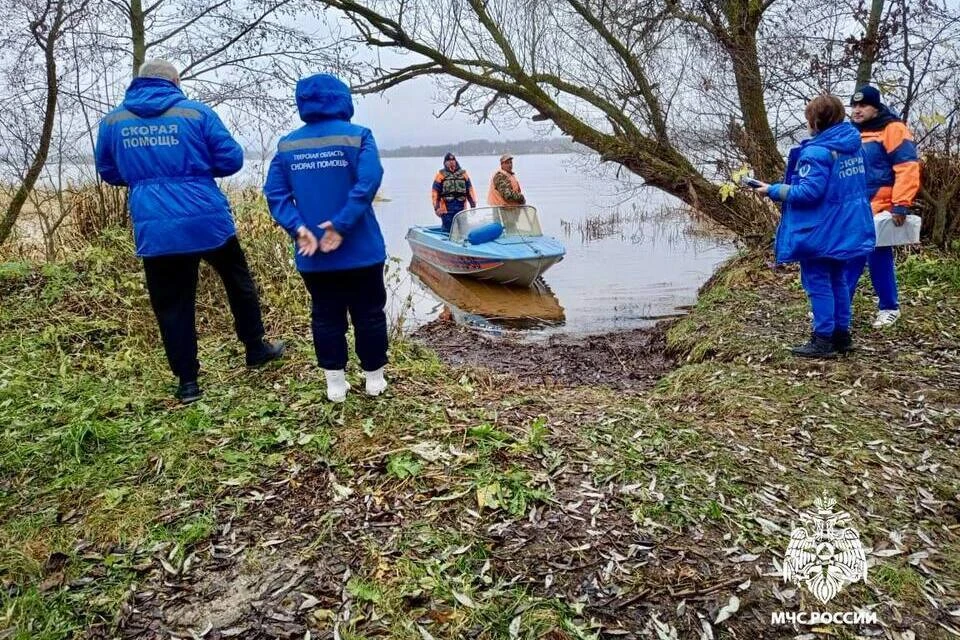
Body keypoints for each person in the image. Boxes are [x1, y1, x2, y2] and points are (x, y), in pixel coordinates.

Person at [94, 59, 284, 404]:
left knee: (172, 303)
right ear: (174, 81)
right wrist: (193, 171)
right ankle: (256, 348)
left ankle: (188, 383)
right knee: (237, 282)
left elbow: (108, 171)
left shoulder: (113, 121)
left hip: (155, 224)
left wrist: (148, 180)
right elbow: (232, 159)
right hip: (206, 217)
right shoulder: (196, 113)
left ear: (139, 82)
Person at [263, 73, 387, 403]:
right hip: (362, 249)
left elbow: (275, 194)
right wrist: (341, 224)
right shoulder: (359, 136)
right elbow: (369, 181)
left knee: (325, 315)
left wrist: (299, 228)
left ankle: (335, 384)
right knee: (370, 313)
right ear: (343, 99)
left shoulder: (288, 145)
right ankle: (374, 379)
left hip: (313, 252)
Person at [750, 95, 876, 358]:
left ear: (816, 122)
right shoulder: (852, 146)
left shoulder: (817, 152)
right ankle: (842, 336)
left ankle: (822, 340)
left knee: (818, 283)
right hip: (847, 227)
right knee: (838, 280)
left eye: (808, 119)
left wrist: (772, 190)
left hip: (822, 230)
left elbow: (808, 192)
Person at [844, 85, 921, 328]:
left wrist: (900, 204)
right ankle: (839, 306)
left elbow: (907, 167)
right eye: (854, 106)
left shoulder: (893, 129)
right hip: (855, 205)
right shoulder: (850, 132)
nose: (857, 110)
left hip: (882, 206)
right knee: (849, 256)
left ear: (875, 107)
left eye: (863, 105)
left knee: (878, 258)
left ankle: (889, 307)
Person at [432, 152, 477, 232]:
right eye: (449, 160)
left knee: (463, 229)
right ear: (445, 162)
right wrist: (437, 208)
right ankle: (444, 242)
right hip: (447, 208)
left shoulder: (463, 174)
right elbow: (435, 192)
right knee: (447, 229)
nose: (451, 162)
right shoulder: (440, 175)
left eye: (453, 160)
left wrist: (473, 204)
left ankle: (463, 242)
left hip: (461, 206)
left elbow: (469, 190)